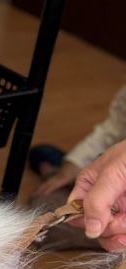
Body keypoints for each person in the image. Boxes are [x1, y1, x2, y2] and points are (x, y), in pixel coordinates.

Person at [29, 81, 126, 251]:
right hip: (111, 174)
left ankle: (54, 173)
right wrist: (73, 165)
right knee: (40, 153)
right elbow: (111, 131)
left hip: (114, 197)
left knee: (49, 221)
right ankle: (61, 173)